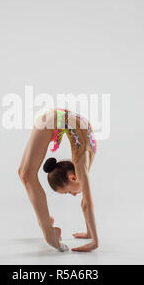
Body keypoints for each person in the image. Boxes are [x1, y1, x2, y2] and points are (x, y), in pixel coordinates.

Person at [18, 108, 98, 252]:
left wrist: (89, 233)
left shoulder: (83, 163)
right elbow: (86, 204)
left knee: (24, 173)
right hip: (54, 121)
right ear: (72, 177)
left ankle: (46, 222)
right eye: (69, 192)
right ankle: (49, 233)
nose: (74, 195)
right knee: (27, 175)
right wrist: (95, 242)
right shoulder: (81, 167)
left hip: (57, 118)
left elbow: (85, 203)